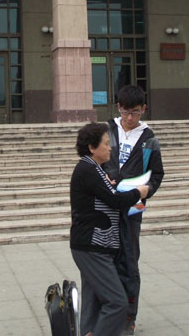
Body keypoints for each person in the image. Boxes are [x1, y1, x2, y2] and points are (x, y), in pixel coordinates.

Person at [70, 122, 149, 336]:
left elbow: (106, 193)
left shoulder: (94, 169)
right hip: (91, 246)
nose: (110, 148)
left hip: (94, 246)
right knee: (117, 302)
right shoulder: (88, 168)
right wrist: (139, 192)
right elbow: (114, 200)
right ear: (92, 148)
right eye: (106, 144)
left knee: (93, 302)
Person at [102, 85, 164, 335]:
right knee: (104, 262)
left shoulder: (149, 139)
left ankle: (129, 316)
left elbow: (157, 175)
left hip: (132, 209)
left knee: (129, 263)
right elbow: (90, 162)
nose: (130, 118)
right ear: (118, 108)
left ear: (144, 110)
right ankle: (104, 314)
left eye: (136, 113)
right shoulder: (106, 130)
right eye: (126, 112)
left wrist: (145, 190)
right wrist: (103, 180)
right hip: (104, 208)